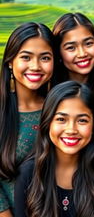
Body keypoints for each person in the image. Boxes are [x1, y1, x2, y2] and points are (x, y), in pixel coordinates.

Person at [15, 81, 94, 217]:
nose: (71, 130)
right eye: (61, 119)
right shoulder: (28, 174)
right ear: (48, 122)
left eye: (82, 120)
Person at [0, 22, 56, 216]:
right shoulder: (2, 111)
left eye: (45, 58)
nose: (35, 66)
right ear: (10, 61)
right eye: (26, 57)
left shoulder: (61, 111)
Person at [52, 12, 94, 89]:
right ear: (58, 52)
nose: (82, 54)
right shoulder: (48, 92)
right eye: (71, 48)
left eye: (88, 43)